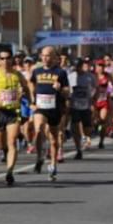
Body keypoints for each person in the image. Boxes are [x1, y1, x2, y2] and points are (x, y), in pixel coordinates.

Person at [0, 48, 29, 186]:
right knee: (1, 143)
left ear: (12, 59)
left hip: (13, 112)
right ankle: (3, 151)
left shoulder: (17, 75)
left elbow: (26, 88)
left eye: (8, 58)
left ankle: (10, 171)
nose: (5, 61)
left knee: (12, 142)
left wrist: (26, 96)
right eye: (2, 58)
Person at [30, 46, 70, 180]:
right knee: (39, 129)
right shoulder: (36, 71)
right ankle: (39, 156)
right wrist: (31, 101)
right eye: (44, 55)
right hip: (40, 107)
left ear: (54, 58)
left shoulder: (61, 72)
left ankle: (53, 165)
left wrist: (60, 89)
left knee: (53, 140)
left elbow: (67, 92)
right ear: (41, 56)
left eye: (49, 56)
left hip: (55, 108)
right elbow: (31, 87)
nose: (46, 58)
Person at [68, 57, 96, 160]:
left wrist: (93, 100)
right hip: (74, 105)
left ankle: (86, 137)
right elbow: (67, 89)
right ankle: (78, 149)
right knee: (75, 128)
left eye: (78, 66)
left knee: (87, 128)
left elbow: (95, 88)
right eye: (75, 66)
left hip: (86, 105)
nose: (77, 68)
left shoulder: (89, 77)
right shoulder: (70, 77)